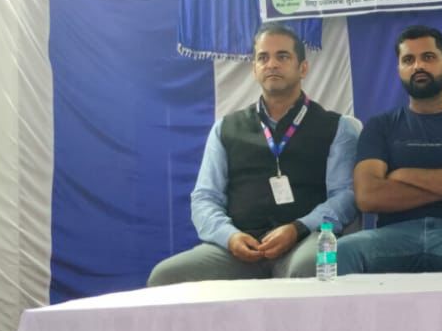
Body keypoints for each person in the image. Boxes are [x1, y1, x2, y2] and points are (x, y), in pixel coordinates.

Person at [148, 23, 359, 285]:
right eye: (263, 58)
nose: (272, 64)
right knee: (166, 277)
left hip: (304, 240)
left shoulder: (337, 127)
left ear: (303, 68)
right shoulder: (225, 128)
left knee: (312, 265)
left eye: (283, 56)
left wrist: (298, 228)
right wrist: (229, 236)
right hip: (241, 247)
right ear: (254, 69)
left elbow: (345, 196)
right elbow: (204, 197)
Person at [336, 25, 442, 273]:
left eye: (428, 57)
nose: (418, 66)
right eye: (408, 60)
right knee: (341, 252)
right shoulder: (380, 126)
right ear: (399, 70)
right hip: (393, 236)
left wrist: (404, 175)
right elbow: (368, 196)